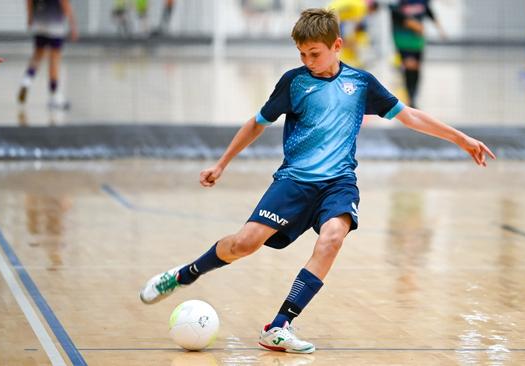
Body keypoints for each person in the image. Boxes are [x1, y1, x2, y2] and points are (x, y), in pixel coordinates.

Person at [139, 8, 495, 354]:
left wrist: (461, 139)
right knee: (244, 244)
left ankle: (279, 326)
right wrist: (221, 164)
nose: (308, 60)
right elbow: (255, 124)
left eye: (315, 53)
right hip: (294, 182)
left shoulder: (360, 83)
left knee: (333, 238)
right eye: (302, 53)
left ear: (337, 46)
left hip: (338, 183)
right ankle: (185, 274)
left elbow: (409, 115)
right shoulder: (294, 83)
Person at [17, 0, 78, 110]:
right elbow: (65, 4)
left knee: (38, 55)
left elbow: (29, 1)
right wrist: (73, 25)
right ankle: (54, 96)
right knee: (54, 60)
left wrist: (30, 17)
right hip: (55, 25)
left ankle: (26, 81)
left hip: (39, 23)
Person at [390, 0, 446, 107]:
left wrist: (440, 29)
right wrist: (411, 23)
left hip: (417, 41)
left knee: (416, 69)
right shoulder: (400, 3)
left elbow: (430, 13)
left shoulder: (423, 2)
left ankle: (413, 96)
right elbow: (394, 11)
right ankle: (409, 96)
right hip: (403, 39)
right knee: (409, 66)